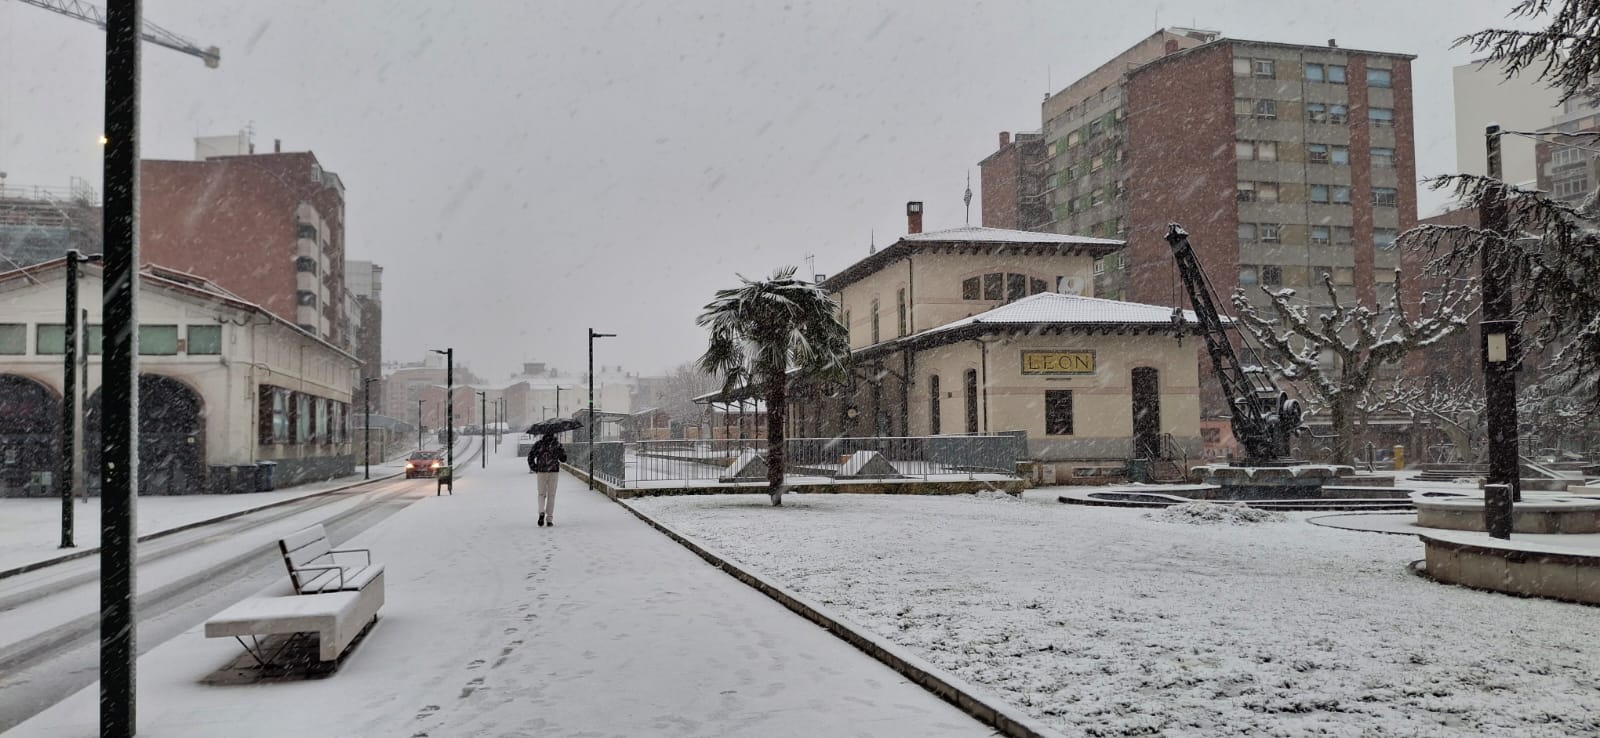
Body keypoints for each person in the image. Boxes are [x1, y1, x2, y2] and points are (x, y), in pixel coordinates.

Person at [528, 433, 566, 527]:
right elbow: (563, 459)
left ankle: (541, 512)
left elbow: (530, 457)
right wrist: (560, 452)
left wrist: (535, 468)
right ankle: (549, 519)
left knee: (541, 494)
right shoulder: (556, 444)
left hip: (541, 472)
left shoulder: (539, 444)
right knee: (551, 495)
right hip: (553, 472)